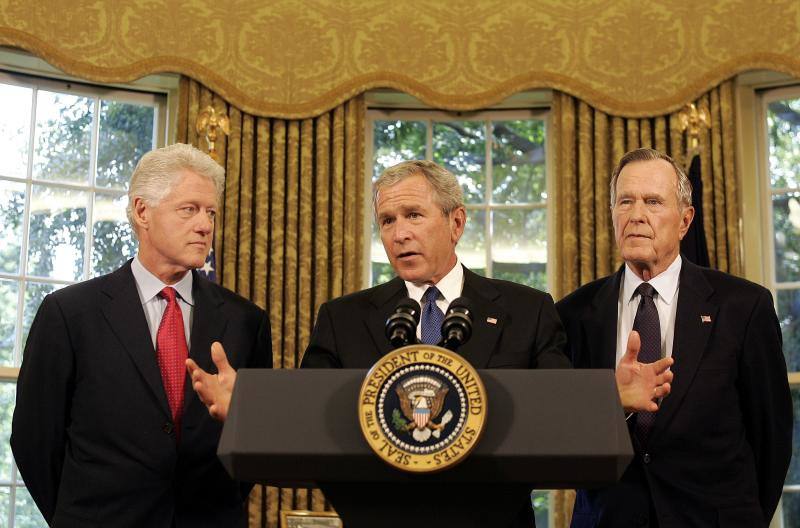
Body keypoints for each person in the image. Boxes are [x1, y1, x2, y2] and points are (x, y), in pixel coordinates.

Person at [189, 159, 672, 527]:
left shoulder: (528, 310)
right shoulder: (343, 318)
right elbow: (312, 418)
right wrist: (250, 407)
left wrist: (611, 398)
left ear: (456, 223)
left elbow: (558, 414)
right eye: (387, 220)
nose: (399, 234)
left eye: (414, 215)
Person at [11, 143, 272, 528]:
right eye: (189, 209)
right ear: (142, 211)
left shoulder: (246, 320)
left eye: (211, 213)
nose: (205, 225)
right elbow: (35, 440)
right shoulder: (69, 314)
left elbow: (255, 451)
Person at [556, 148, 793, 527]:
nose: (636, 215)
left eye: (652, 202)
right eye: (625, 202)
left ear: (685, 221)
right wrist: (611, 403)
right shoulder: (573, 314)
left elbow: (772, 436)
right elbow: (559, 435)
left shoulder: (743, 306)